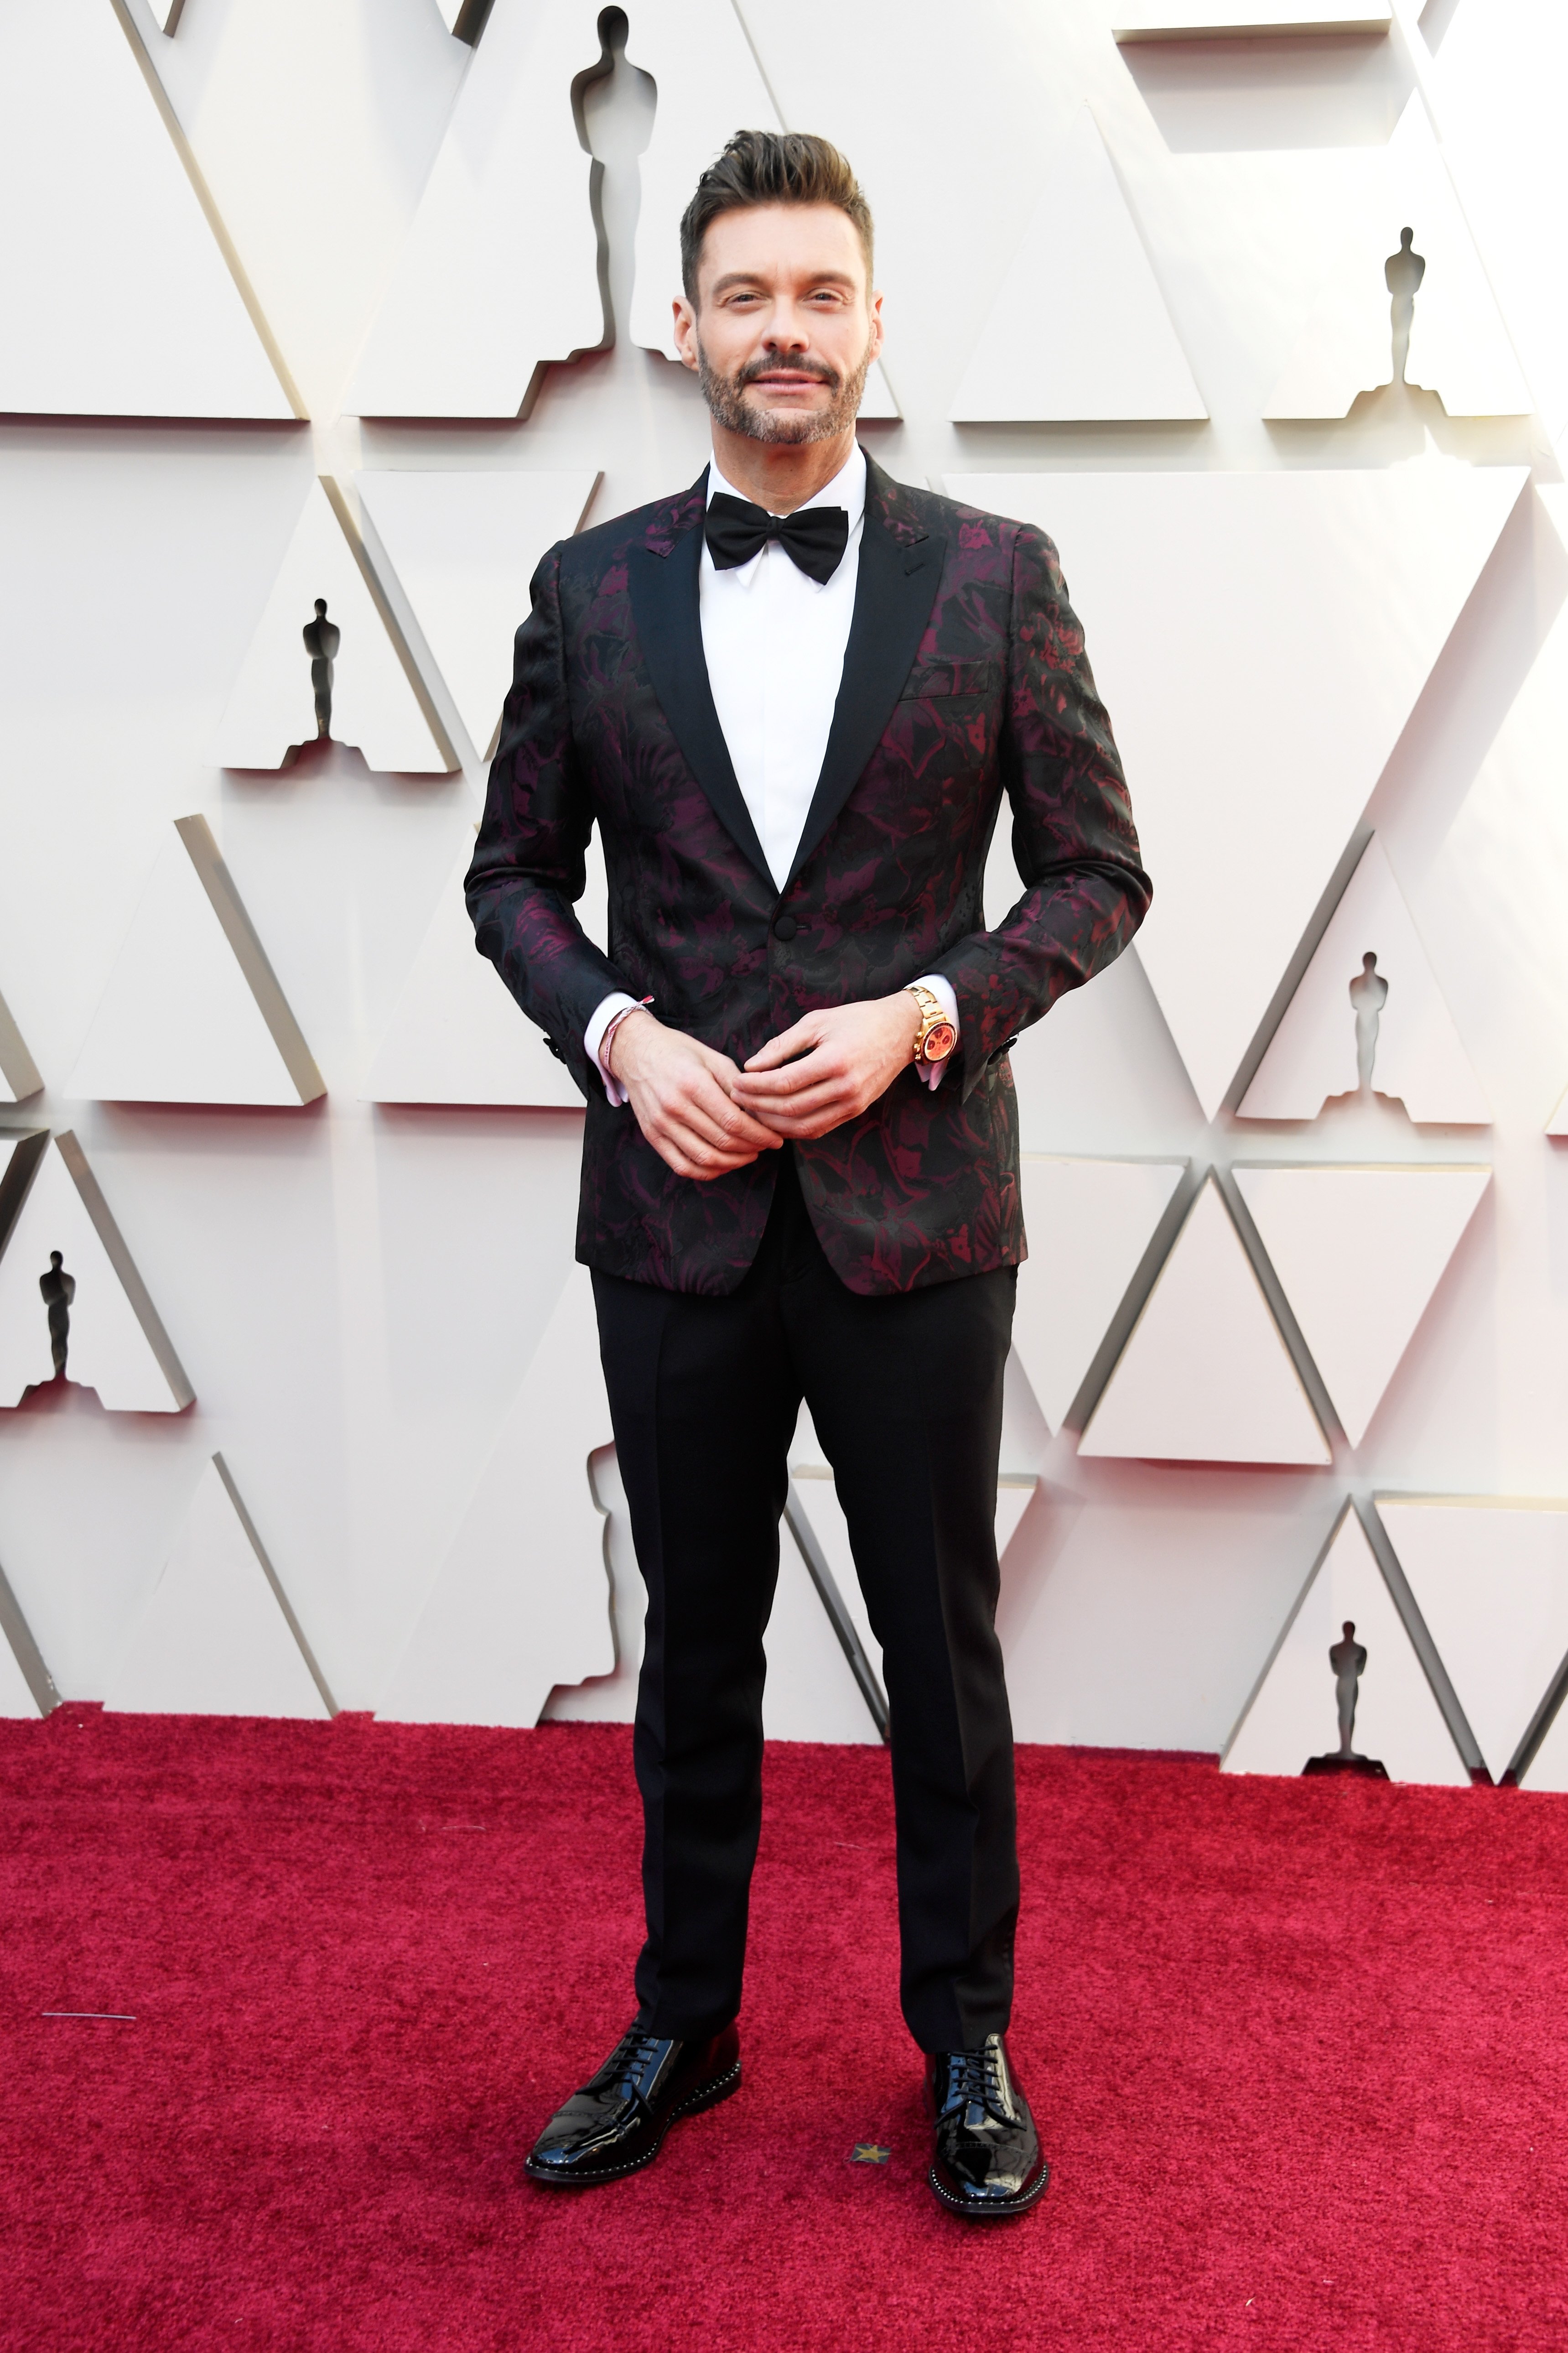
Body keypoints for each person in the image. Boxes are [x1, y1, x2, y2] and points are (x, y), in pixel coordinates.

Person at [466, 129, 1150, 2221]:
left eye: (820, 293)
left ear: (872, 322)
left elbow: (1096, 876)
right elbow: (510, 879)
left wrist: (923, 1016)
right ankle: (686, 2019)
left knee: (940, 1647)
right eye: (746, 295)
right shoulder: (584, 592)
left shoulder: (995, 573)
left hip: (919, 1212)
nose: (784, 329)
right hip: (669, 1217)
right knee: (695, 1639)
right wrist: (618, 1037)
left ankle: (964, 2040)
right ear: (682, 328)